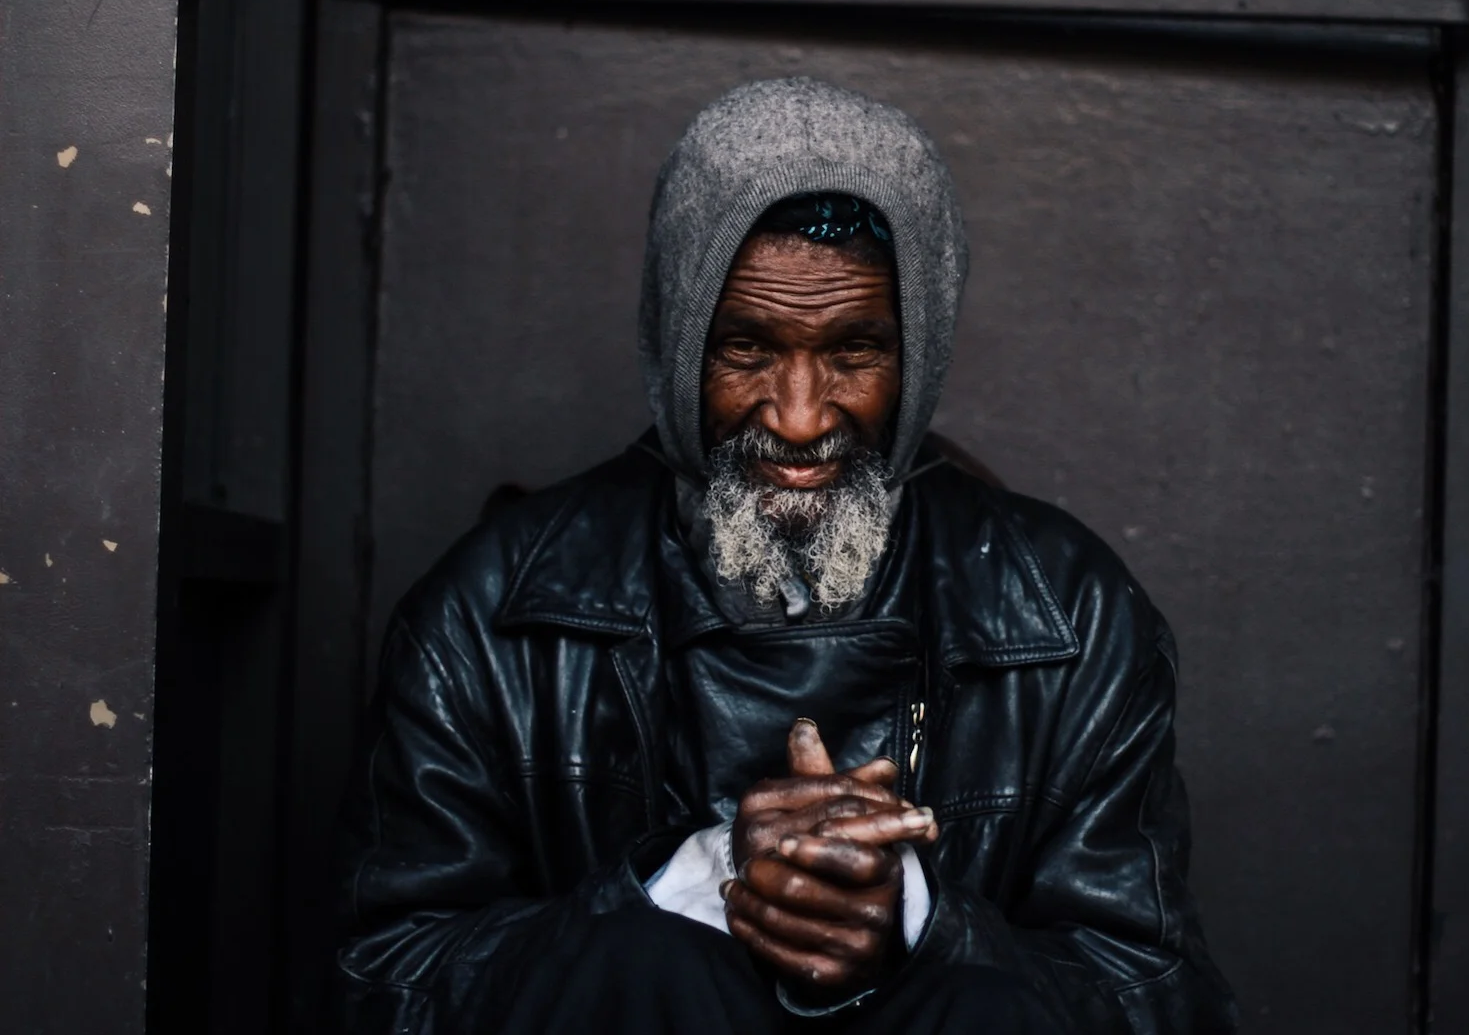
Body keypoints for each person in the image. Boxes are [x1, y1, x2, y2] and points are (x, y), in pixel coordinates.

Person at [334, 76, 1236, 1033]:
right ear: (677, 343)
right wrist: (696, 882)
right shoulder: (489, 611)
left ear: (918, 355)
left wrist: (917, 925)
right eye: (747, 349)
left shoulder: (1072, 615)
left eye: (853, 352)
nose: (800, 417)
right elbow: (381, 988)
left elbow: (1159, 1004)